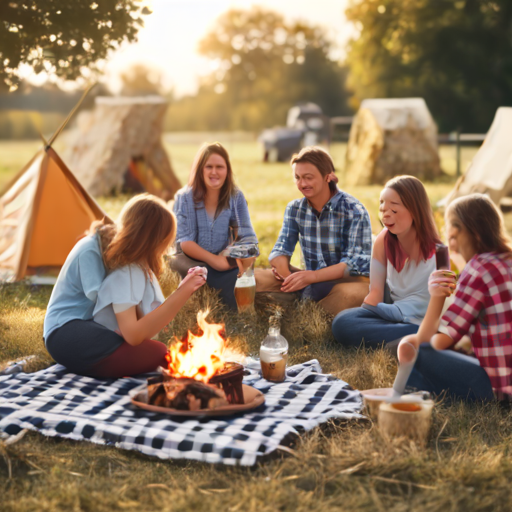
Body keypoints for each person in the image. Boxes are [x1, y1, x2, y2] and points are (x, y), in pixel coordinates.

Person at [44, 194, 206, 378]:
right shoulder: (92, 252)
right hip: (65, 330)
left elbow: (130, 320)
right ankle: (90, 363)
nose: (163, 252)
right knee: (159, 353)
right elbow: (129, 329)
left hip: (89, 329)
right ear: (149, 240)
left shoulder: (124, 258)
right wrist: (183, 291)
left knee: (156, 351)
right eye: (163, 244)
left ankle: (91, 364)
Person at [398, 193, 512, 402]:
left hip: (500, 388)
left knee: (418, 351)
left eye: (450, 235)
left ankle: (416, 394)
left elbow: (438, 343)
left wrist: (436, 296)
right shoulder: (506, 260)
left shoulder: (478, 269)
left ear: (459, 232)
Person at [255, 146, 372, 316]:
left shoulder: (354, 210)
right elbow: (280, 249)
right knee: (256, 280)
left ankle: (306, 313)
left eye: (308, 178)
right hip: (309, 279)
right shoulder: (295, 209)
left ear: (328, 177)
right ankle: (303, 305)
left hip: (348, 282)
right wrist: (290, 279)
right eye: (297, 178)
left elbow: (351, 266)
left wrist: (312, 277)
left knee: (345, 296)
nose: (302, 184)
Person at [332, 176, 442, 349]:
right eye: (383, 208)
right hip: (393, 317)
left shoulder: (440, 254)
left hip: (428, 322)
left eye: (394, 210)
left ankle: (418, 338)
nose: (386, 214)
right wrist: (364, 318)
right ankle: (409, 340)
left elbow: (440, 309)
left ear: (415, 210)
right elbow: (375, 293)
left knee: (435, 331)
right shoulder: (383, 240)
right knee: (342, 323)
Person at [171, 142, 259, 310]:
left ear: (227, 171)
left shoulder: (235, 196)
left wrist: (232, 256)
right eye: (208, 167)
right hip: (188, 260)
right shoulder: (185, 197)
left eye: (220, 167)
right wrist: (217, 262)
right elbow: (186, 243)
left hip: (223, 257)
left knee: (236, 273)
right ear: (200, 170)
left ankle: (233, 320)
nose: (214, 172)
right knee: (202, 273)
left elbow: (248, 238)